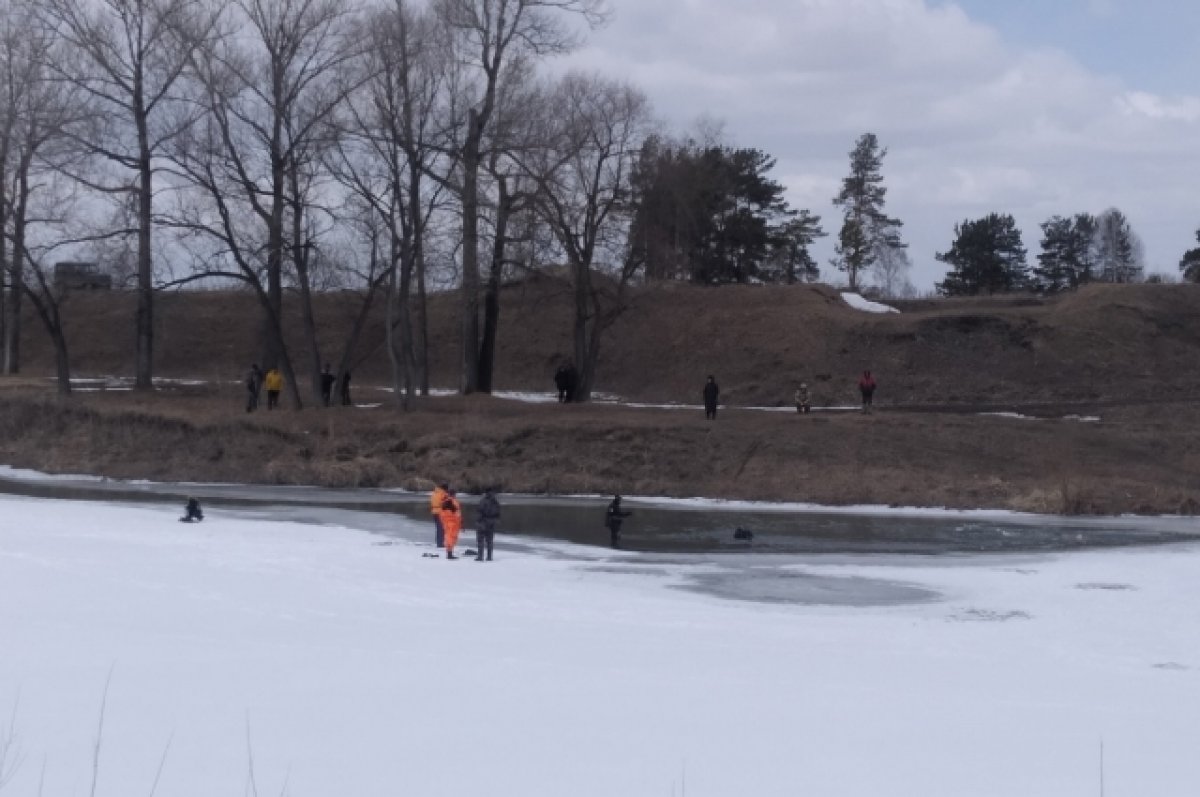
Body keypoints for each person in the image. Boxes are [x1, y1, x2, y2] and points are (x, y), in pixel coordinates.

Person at [475, 488, 500, 561]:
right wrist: (496, 520)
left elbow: (479, 512)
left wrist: (478, 521)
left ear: (486, 493)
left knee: (480, 540)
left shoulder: (483, 501)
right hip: (492, 523)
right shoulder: (495, 502)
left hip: (483, 522)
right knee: (490, 541)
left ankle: (480, 557)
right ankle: (489, 557)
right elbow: (498, 513)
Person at [441, 491, 463, 560]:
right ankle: (449, 554)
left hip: (448, 523)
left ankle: (449, 553)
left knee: (449, 537)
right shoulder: (452, 502)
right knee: (451, 538)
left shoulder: (445, 501)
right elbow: (457, 514)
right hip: (453, 523)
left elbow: (443, 514)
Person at [430, 482, 448, 548]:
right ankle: (440, 543)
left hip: (434, 512)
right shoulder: (443, 494)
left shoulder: (434, 493)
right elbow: (446, 504)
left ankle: (438, 542)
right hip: (440, 512)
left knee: (438, 528)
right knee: (441, 528)